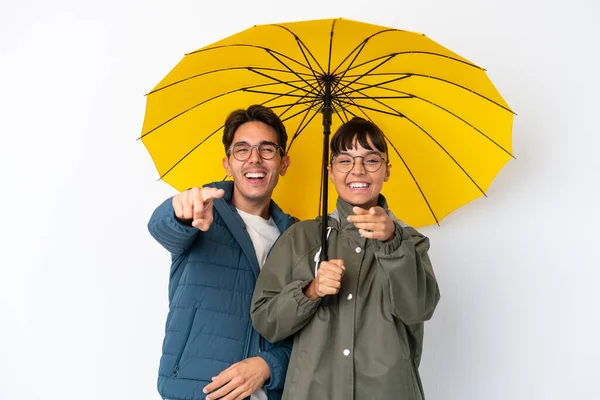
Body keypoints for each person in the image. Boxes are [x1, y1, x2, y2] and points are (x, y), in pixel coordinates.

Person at [250, 117, 440, 400]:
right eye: (345, 161)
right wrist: (310, 292)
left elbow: (417, 310)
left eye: (371, 160)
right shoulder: (300, 238)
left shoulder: (409, 242)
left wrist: (392, 244)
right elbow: (266, 322)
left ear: (386, 171)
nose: (358, 171)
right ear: (331, 171)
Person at [148, 104, 296, 400]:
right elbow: (161, 226)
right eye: (242, 149)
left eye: (267, 150)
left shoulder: (297, 237)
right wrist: (181, 213)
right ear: (227, 163)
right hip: (197, 391)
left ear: (283, 163)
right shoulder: (203, 212)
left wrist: (269, 365)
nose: (254, 159)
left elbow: (305, 332)